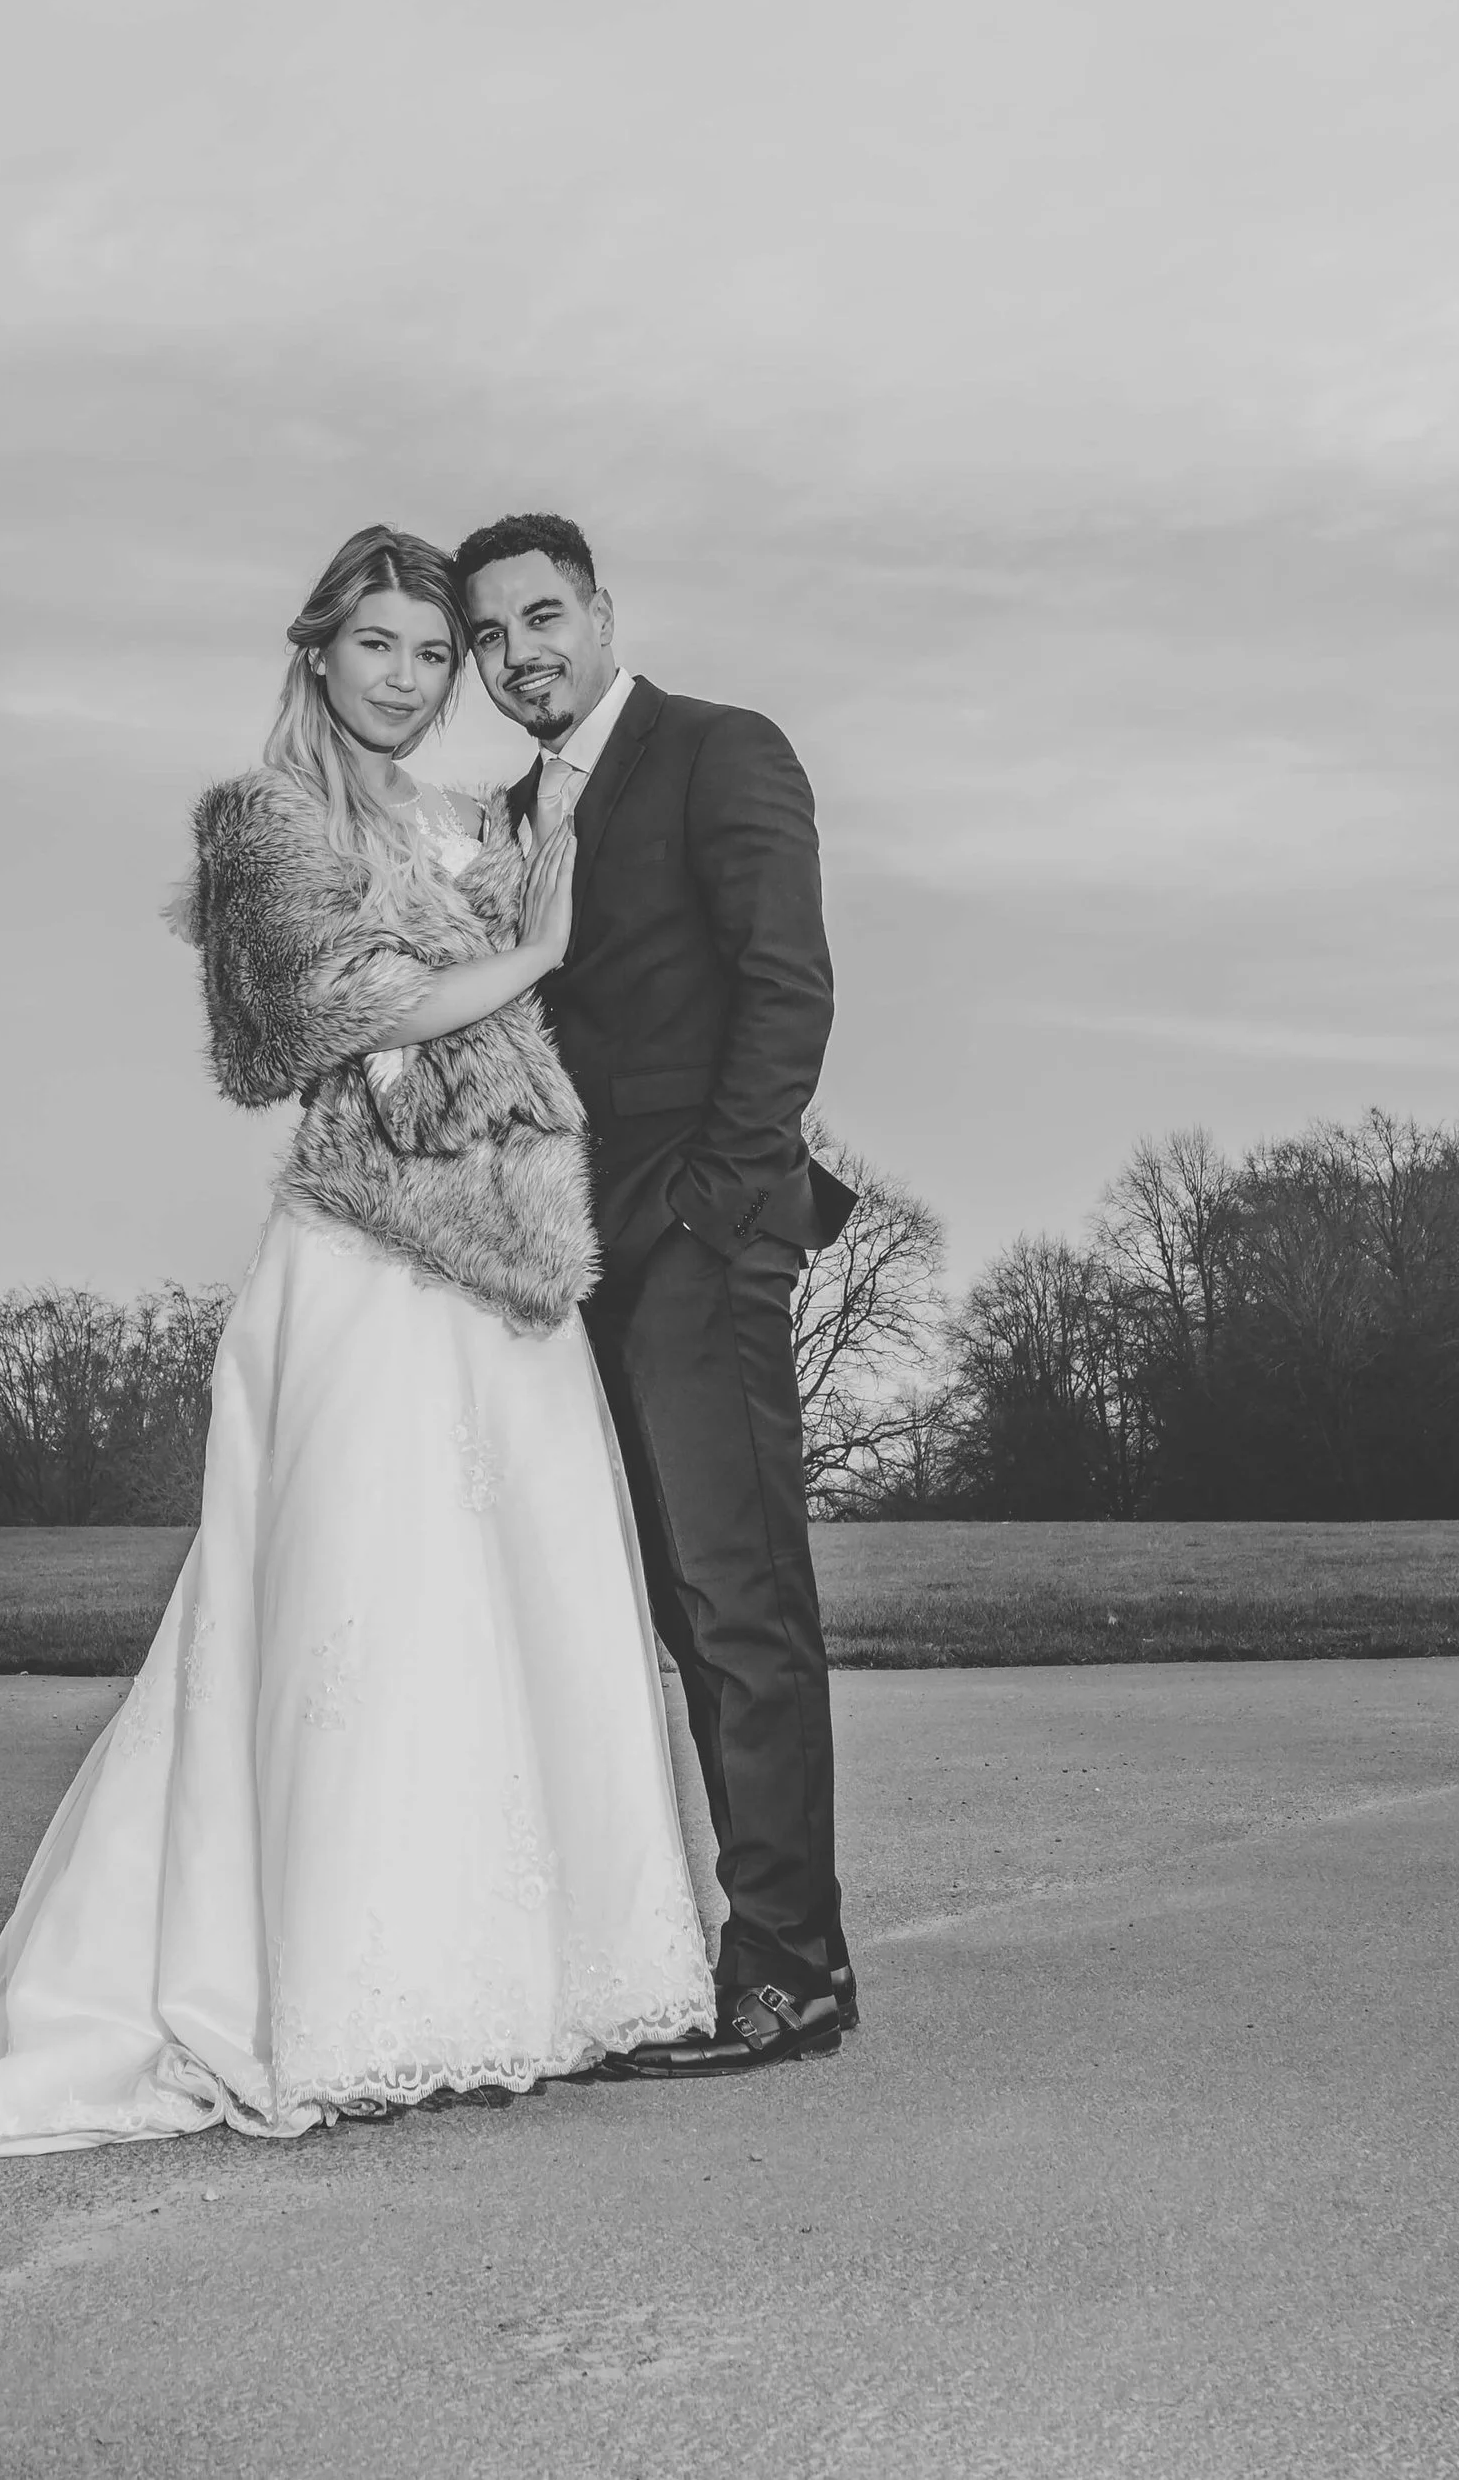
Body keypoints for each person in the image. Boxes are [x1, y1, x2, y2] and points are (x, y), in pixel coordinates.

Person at [0, 525, 712, 2159]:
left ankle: (536, 1981)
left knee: (526, 1597)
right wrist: (533, 954)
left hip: (504, 1264)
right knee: (361, 1606)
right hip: (368, 1258)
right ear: (317, 652)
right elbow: (312, 1015)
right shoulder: (264, 818)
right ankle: (353, 1993)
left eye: (436, 654)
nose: (411, 679)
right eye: (380, 645)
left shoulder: (474, 817)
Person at [455, 512, 857, 2073]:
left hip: (696, 1237)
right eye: (489, 638)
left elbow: (786, 979)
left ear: (604, 610)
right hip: (565, 1263)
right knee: (666, 1618)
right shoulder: (504, 816)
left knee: (740, 1604)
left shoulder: (717, 750)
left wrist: (715, 1206)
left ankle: (794, 1970)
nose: (517, 656)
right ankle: (712, 1949)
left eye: (541, 617)